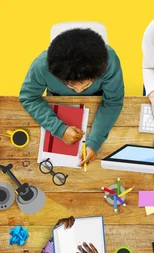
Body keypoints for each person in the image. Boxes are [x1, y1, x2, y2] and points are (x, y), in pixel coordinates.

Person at [19, 28, 124, 166]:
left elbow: (113, 101)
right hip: (57, 97)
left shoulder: (110, 61)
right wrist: (59, 129)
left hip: (98, 95)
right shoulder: (41, 66)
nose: (79, 91)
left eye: (86, 85)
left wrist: (94, 142)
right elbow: (28, 97)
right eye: (70, 85)